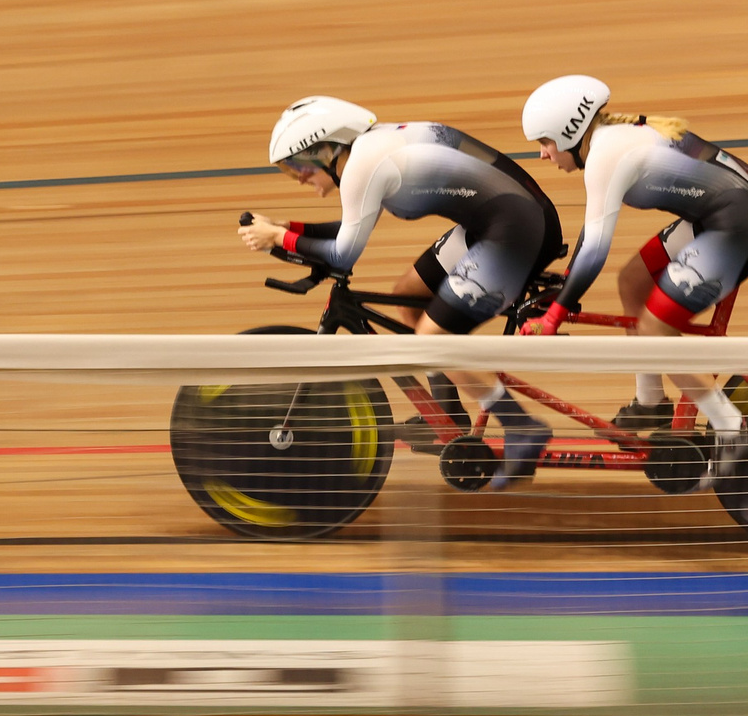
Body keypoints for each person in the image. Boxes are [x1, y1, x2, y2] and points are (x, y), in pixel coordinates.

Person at [237, 96, 565, 488]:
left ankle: (522, 427)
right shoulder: (371, 148)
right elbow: (351, 226)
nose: (299, 178)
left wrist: (278, 238)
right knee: (408, 294)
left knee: (432, 340)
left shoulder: (364, 165)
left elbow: (342, 254)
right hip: (501, 218)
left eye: (299, 166)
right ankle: (447, 414)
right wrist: (285, 227)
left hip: (518, 230)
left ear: (326, 150)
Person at [517, 75, 748, 466]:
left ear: (569, 132)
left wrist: (554, 316)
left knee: (654, 329)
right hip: (731, 212)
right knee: (633, 281)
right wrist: (567, 289)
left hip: (743, 224)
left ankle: (732, 426)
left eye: (545, 142)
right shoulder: (611, 135)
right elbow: (593, 231)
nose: (543, 155)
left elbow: (595, 249)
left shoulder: (605, 156)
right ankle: (651, 402)